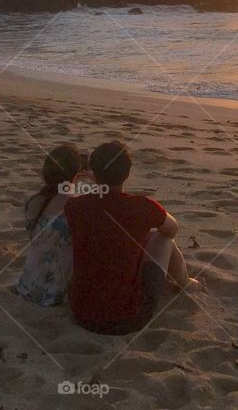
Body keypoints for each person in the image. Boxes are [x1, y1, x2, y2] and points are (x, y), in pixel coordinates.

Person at [66, 140, 199, 335]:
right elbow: (172, 229)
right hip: (129, 319)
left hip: (81, 315)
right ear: (127, 174)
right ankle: (185, 283)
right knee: (163, 239)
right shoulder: (143, 207)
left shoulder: (74, 207)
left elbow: (93, 222)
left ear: (93, 174)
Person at [15, 143, 83, 306]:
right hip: (59, 291)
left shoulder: (33, 201)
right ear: (75, 175)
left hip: (29, 285)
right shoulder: (76, 204)